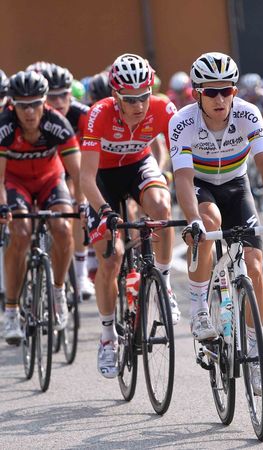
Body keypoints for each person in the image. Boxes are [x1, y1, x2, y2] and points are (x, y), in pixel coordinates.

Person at [169, 52, 263, 395]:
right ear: (197, 93)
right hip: (200, 185)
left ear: (234, 91)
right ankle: (199, 308)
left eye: (226, 91)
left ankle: (255, 351)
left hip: (237, 186)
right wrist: (193, 220)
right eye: (211, 92)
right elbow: (182, 178)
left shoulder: (248, 113)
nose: (220, 99)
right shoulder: (182, 121)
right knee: (208, 221)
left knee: (254, 268)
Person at [80, 53, 178, 378]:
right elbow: (86, 178)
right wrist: (104, 211)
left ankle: (164, 285)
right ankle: (108, 336)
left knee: (162, 208)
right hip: (103, 179)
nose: (139, 105)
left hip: (138, 165)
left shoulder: (163, 108)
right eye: (130, 99)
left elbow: (181, 155)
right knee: (112, 257)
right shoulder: (98, 114)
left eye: (144, 96)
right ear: (116, 96)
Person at [0, 71, 85, 344]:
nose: (29, 112)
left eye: (35, 104)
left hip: (50, 180)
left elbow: (78, 172)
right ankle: (11, 311)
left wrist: (82, 204)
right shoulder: (4, 126)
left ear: (44, 102)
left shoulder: (56, 123)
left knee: (63, 227)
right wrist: (3, 207)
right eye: (22, 105)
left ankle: (58, 292)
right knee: (21, 233)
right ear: (12, 104)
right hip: (15, 183)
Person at [42, 64, 95, 300]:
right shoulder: (35, 117)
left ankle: (81, 273)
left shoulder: (83, 114)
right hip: (48, 172)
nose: (58, 101)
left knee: (78, 205)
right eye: (52, 97)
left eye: (63, 95)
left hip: (77, 169)